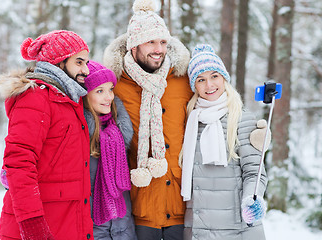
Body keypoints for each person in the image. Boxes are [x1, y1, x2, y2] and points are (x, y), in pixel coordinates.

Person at [103, 0, 193, 239]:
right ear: (133, 46)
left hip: (180, 203)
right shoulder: (115, 86)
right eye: (150, 41)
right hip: (138, 203)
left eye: (163, 42)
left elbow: (217, 103)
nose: (159, 49)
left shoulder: (183, 80)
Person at [0, 30, 94, 240]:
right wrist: (32, 223)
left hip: (65, 223)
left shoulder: (68, 99)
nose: (86, 69)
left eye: (86, 62)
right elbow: (19, 162)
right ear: (59, 63)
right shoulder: (35, 98)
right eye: (79, 62)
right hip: (39, 226)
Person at [181, 44, 268, 240]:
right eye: (201, 80)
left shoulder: (242, 119)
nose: (209, 85)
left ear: (224, 78)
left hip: (235, 228)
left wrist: (251, 199)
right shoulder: (191, 121)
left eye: (214, 76)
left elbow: (255, 171)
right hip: (198, 229)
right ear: (194, 85)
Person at [82, 60, 137, 239]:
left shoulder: (119, 133)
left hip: (124, 228)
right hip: (92, 230)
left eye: (110, 89)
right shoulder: (79, 135)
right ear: (85, 95)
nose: (109, 97)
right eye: (100, 91)